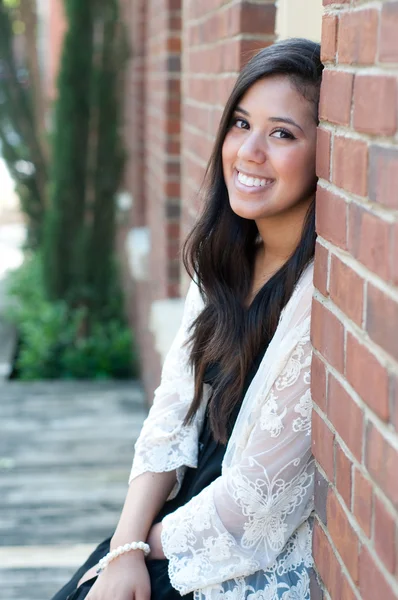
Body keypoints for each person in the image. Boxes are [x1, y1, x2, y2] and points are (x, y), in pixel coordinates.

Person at [52, 37, 323, 600]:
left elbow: (253, 505)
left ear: (326, 153)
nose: (249, 152)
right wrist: (123, 545)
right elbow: (171, 416)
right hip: (170, 528)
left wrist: (137, 549)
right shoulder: (225, 259)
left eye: (282, 133)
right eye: (241, 124)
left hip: (235, 558)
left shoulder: (319, 298)